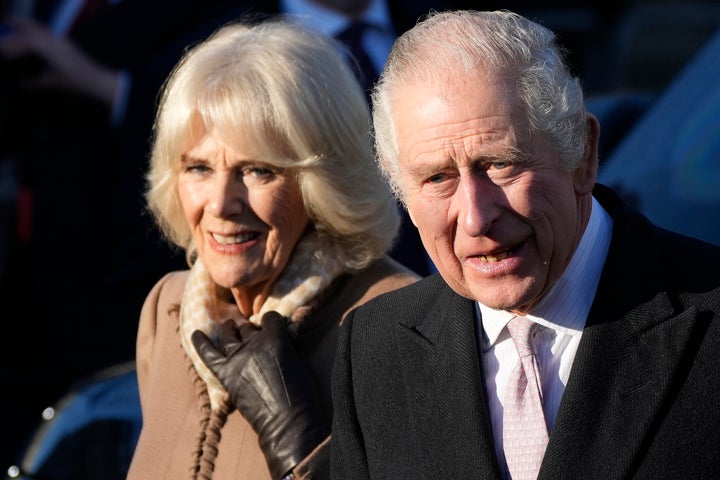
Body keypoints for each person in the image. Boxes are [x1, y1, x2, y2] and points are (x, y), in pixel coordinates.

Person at [331, 9, 720, 480]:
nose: (475, 217)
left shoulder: (707, 315)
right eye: (437, 178)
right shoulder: (376, 347)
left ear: (582, 155)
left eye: (501, 164)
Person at [125, 18, 419, 480]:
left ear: (321, 183)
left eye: (258, 170)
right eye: (198, 168)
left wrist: (301, 448)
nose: (221, 203)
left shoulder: (400, 321)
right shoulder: (168, 307)